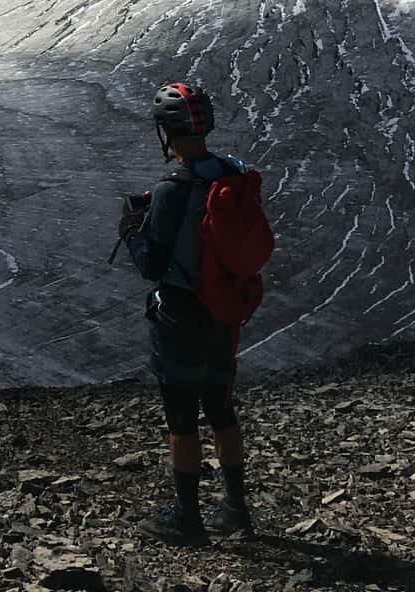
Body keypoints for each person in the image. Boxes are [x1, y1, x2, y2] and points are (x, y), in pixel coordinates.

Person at [117, 81, 254, 544]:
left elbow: (152, 263)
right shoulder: (231, 172)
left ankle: (186, 516)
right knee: (221, 408)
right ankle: (236, 507)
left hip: (181, 314)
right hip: (225, 310)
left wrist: (132, 230)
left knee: (181, 417)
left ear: (166, 131)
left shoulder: (173, 186)